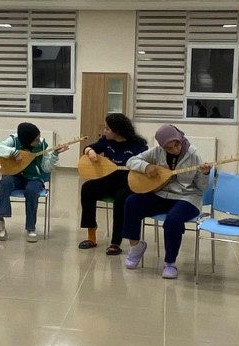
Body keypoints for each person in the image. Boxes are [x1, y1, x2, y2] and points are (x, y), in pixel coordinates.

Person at [120, 124, 212, 279]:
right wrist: (146, 166)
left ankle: (170, 263)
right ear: (162, 146)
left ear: (180, 139)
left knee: (173, 219)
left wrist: (205, 174)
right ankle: (136, 247)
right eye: (169, 148)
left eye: (177, 144)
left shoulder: (193, 155)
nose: (175, 149)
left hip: (187, 198)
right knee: (132, 202)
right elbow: (131, 161)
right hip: (162, 194)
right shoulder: (157, 152)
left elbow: (202, 188)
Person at [78, 113, 148, 254]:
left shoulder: (138, 146)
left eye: (107, 129)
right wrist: (90, 151)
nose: (104, 131)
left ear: (117, 131)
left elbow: (145, 165)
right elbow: (89, 147)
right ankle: (91, 236)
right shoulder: (105, 141)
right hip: (110, 180)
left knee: (121, 200)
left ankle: (115, 242)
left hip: (129, 183)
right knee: (87, 188)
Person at [0, 122, 70, 242]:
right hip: (16, 176)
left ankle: (31, 227)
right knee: (5, 182)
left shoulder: (42, 145)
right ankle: (0, 220)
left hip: (34, 178)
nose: (39, 141)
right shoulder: (14, 139)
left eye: (39, 137)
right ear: (26, 140)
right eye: (36, 140)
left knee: (31, 190)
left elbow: (46, 168)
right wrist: (14, 152)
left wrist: (55, 154)